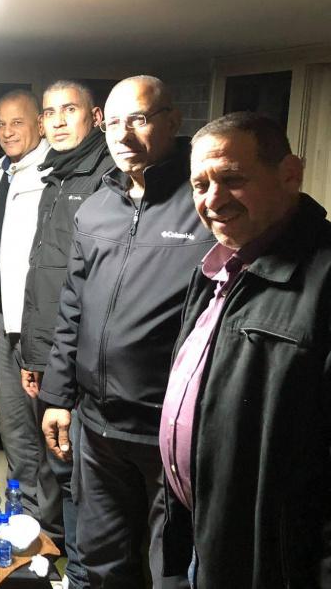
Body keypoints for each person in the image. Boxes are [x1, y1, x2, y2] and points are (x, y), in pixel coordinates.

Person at [40, 76, 213, 588]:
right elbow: (72, 306)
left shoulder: (204, 207)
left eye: (137, 119)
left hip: (169, 429)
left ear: (172, 121)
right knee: (100, 561)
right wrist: (58, 396)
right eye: (113, 122)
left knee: (171, 569)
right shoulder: (97, 207)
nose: (123, 134)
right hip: (97, 426)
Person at [159, 112, 329, 587]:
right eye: (200, 185)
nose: (213, 200)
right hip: (203, 538)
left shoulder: (324, 282)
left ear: (289, 175)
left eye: (232, 179)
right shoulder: (218, 268)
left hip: (269, 564)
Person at [19, 80, 112, 589]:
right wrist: (33, 355)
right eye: (49, 112)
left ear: (94, 117)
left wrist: (60, 368)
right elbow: (45, 275)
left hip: (79, 357)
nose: (56, 121)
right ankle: (62, 557)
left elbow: (88, 290)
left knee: (77, 472)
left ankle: (80, 574)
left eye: (68, 110)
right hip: (50, 352)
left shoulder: (107, 177)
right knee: (59, 465)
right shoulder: (56, 174)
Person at [0, 90, 55, 533]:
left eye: (17, 122)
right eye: (0, 124)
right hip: (5, 318)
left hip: (38, 321)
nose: (7, 132)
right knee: (14, 424)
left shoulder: (52, 173)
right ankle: (23, 510)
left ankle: (50, 523)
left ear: (39, 124)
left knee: (43, 422)